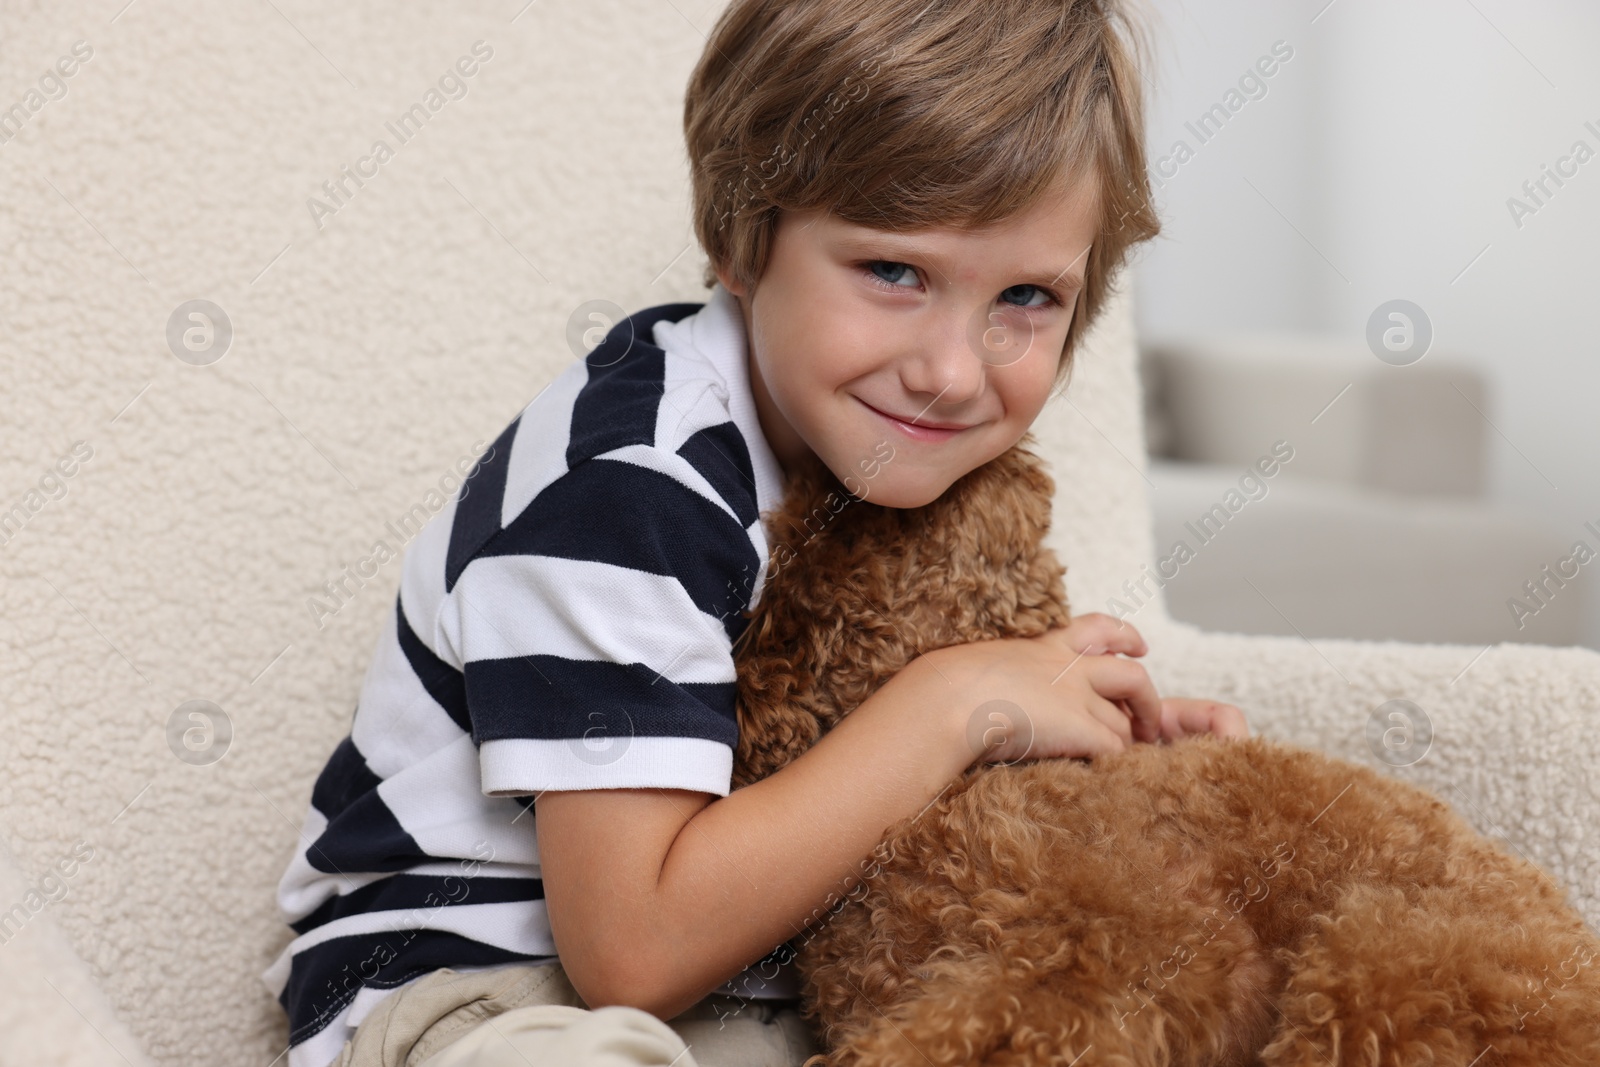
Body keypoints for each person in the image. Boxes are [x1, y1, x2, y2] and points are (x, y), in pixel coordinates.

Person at [261, 1, 1251, 1064]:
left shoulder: (900, 462)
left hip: (751, 984)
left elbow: (869, 779)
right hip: (476, 986)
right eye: (894, 272)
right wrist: (957, 703)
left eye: (1024, 297)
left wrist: (1093, 748)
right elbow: (629, 950)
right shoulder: (632, 489)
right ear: (742, 234)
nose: (953, 371)